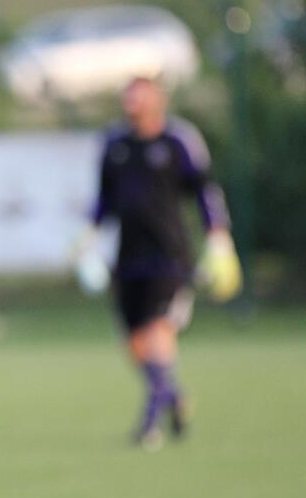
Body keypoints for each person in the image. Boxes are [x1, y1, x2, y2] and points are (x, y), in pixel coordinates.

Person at [91, 77, 236, 450]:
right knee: (135, 346)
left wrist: (218, 237)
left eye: (139, 98)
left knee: (159, 333)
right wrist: (88, 237)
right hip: (128, 259)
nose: (132, 105)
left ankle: (150, 423)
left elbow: (205, 190)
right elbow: (104, 198)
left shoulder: (178, 141)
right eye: (128, 99)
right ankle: (174, 396)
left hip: (169, 257)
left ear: (158, 101)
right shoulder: (115, 144)